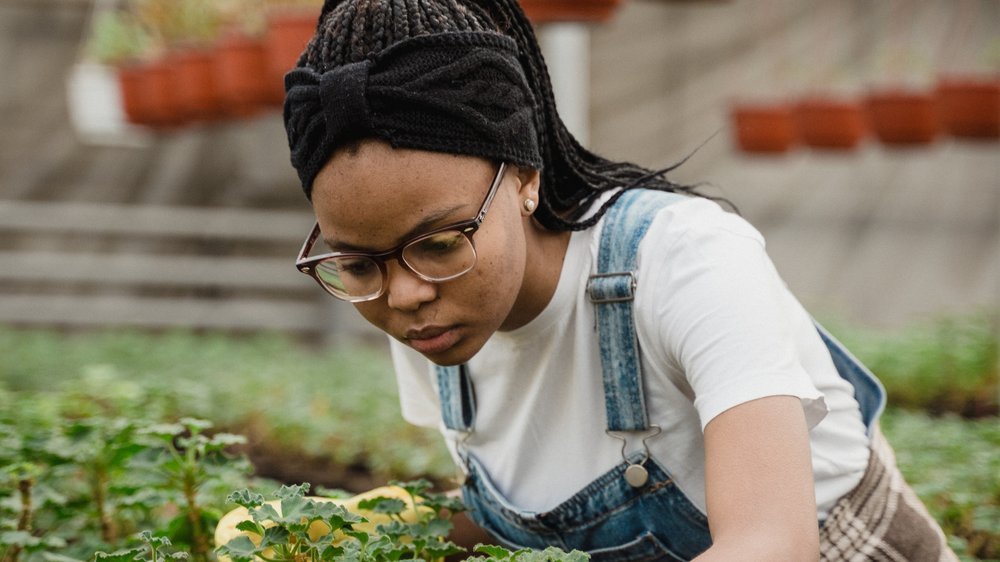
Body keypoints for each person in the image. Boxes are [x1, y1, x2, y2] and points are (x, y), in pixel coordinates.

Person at [283, 1, 957, 560]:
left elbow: (771, 541)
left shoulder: (685, 259)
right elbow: (530, 502)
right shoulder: (433, 314)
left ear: (525, 176)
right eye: (360, 264)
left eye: (436, 243)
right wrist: (343, 534)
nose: (403, 296)